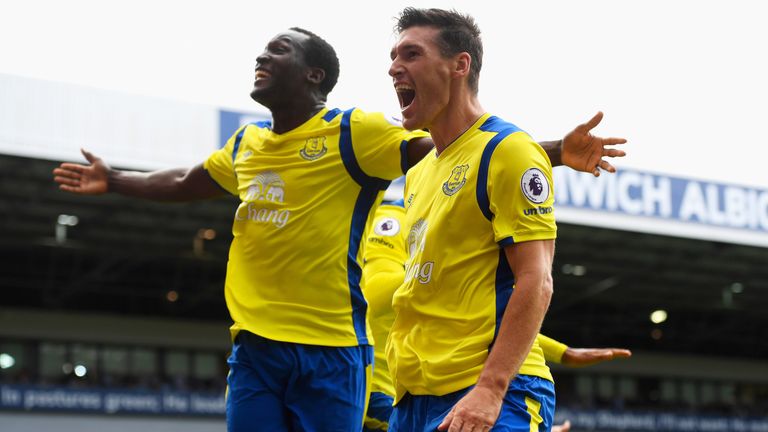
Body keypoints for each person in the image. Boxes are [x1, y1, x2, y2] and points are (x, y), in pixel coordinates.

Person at [53, 26, 625, 432]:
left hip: (335, 350)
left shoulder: (356, 133)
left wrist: (548, 150)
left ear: (313, 74)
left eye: (278, 50)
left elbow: (455, 150)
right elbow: (187, 180)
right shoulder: (248, 144)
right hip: (260, 346)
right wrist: (117, 180)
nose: (262, 56)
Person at [384, 8, 627, 432]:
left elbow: (537, 280)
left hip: (489, 390)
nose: (393, 68)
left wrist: (491, 389)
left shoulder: (509, 150)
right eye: (393, 56)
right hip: (412, 399)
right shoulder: (419, 173)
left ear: (460, 65)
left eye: (411, 54)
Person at [361, 200, 631, 432]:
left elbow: (519, 290)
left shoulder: (475, 191)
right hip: (393, 396)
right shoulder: (396, 214)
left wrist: (561, 352)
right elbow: (377, 291)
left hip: (481, 384)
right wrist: (457, 280)